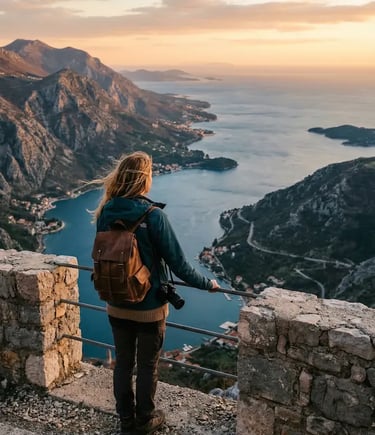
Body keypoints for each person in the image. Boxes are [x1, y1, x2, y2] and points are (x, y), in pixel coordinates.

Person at [92, 151, 219, 435]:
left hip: (115, 301)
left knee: (123, 363)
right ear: (143, 180)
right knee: (148, 365)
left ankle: (126, 421)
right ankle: (145, 420)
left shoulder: (105, 211)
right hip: (149, 307)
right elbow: (181, 265)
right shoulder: (154, 216)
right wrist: (208, 284)